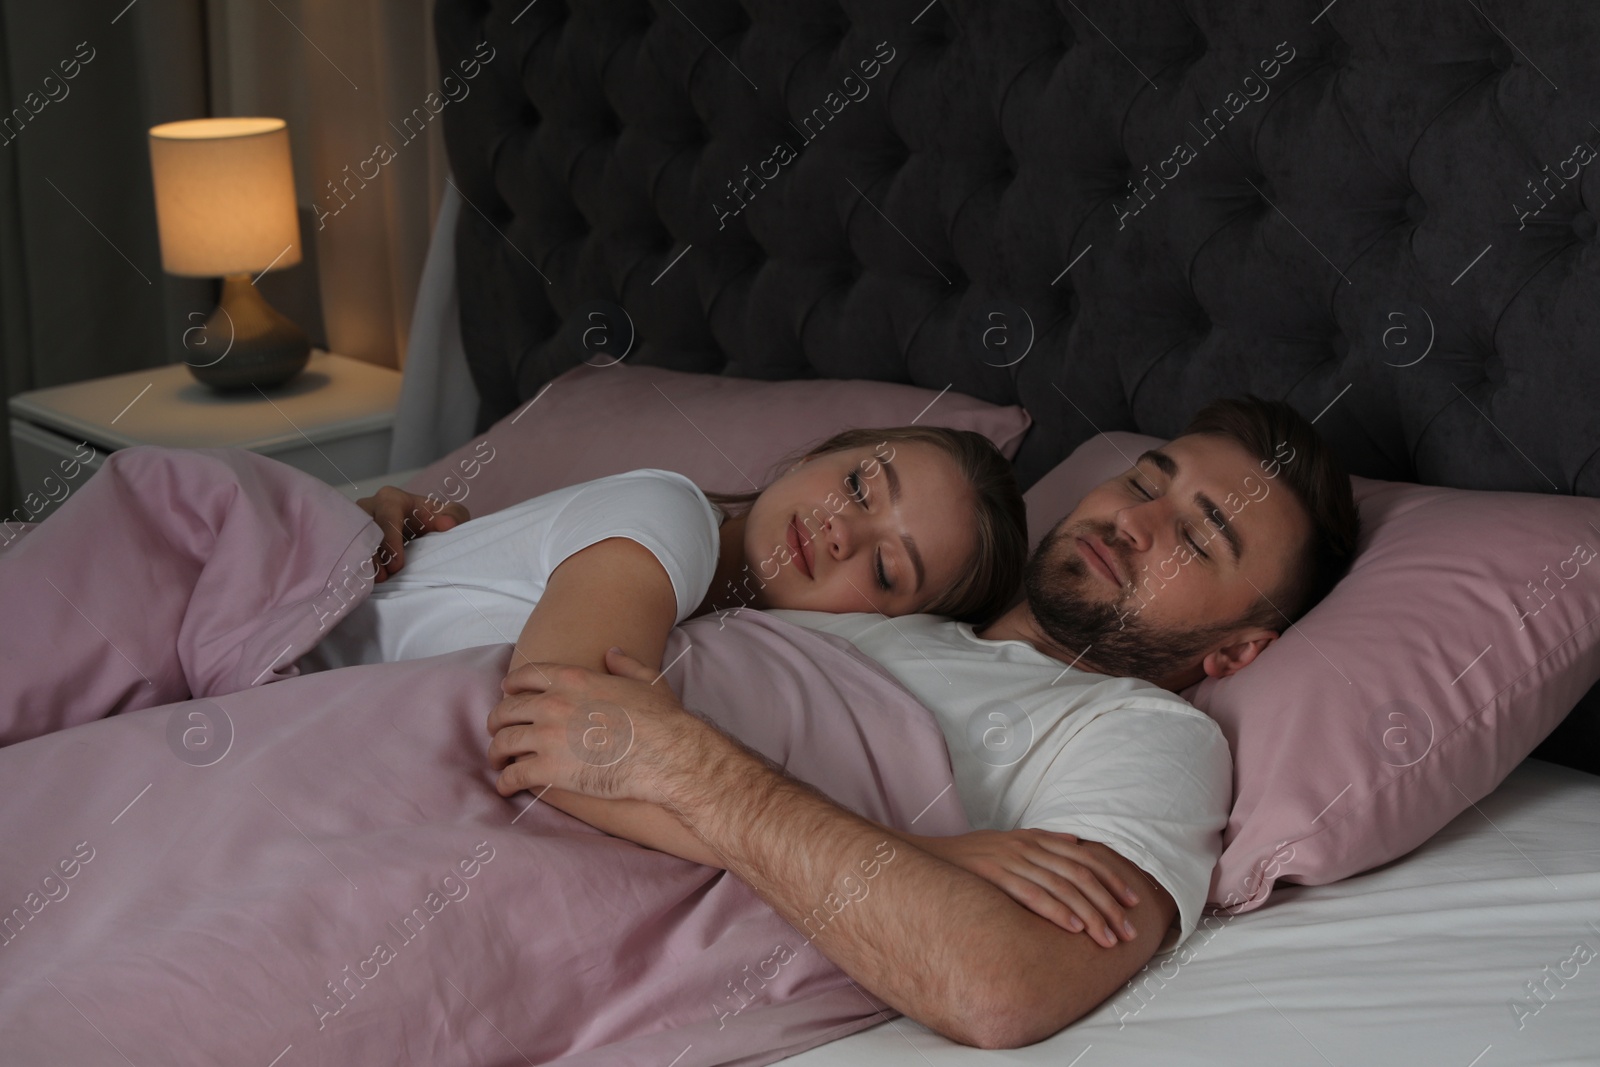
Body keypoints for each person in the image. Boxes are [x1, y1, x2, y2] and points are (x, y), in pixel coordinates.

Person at [470, 395, 1361, 1048]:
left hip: (531, 850)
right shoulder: (874, 589)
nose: (1131, 520)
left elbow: (1000, 984)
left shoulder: (1149, 736)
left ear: (1237, 654)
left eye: (1198, 539)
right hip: (467, 730)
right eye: (1142, 480)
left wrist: (691, 768)